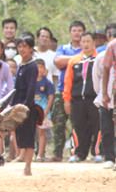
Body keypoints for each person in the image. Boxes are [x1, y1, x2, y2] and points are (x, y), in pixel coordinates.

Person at [51, 20, 85, 162]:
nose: (77, 33)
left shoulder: (87, 48)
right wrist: (77, 58)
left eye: (80, 30)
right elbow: (58, 62)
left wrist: (69, 60)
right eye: (74, 30)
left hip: (79, 92)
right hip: (62, 91)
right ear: (70, 32)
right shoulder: (63, 48)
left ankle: (75, 153)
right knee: (58, 123)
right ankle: (57, 154)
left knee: (77, 124)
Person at [63, 32, 100, 163]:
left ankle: (97, 152)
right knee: (78, 126)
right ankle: (78, 153)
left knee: (97, 126)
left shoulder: (99, 59)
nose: (85, 44)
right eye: (83, 41)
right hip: (77, 100)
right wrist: (66, 100)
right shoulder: (74, 61)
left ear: (93, 43)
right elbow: (68, 82)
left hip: (94, 99)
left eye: (88, 41)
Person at [11, 37, 38, 175]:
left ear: (31, 48)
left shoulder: (32, 66)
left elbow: (31, 88)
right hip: (18, 103)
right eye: (20, 46)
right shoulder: (21, 64)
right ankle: (22, 158)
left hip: (27, 106)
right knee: (20, 134)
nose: (22, 49)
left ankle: (28, 166)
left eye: (25, 46)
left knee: (29, 135)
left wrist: (26, 106)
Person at [92, 30, 115, 169]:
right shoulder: (102, 55)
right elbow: (99, 75)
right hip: (107, 94)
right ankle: (109, 157)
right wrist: (103, 93)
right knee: (106, 128)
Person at [34, 59, 54, 162]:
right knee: (31, 132)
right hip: (32, 110)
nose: (39, 70)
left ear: (44, 69)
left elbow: (51, 97)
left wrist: (47, 110)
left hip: (43, 110)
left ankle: (40, 154)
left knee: (42, 132)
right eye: (37, 67)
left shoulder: (47, 83)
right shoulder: (30, 82)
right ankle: (29, 153)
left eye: (41, 67)